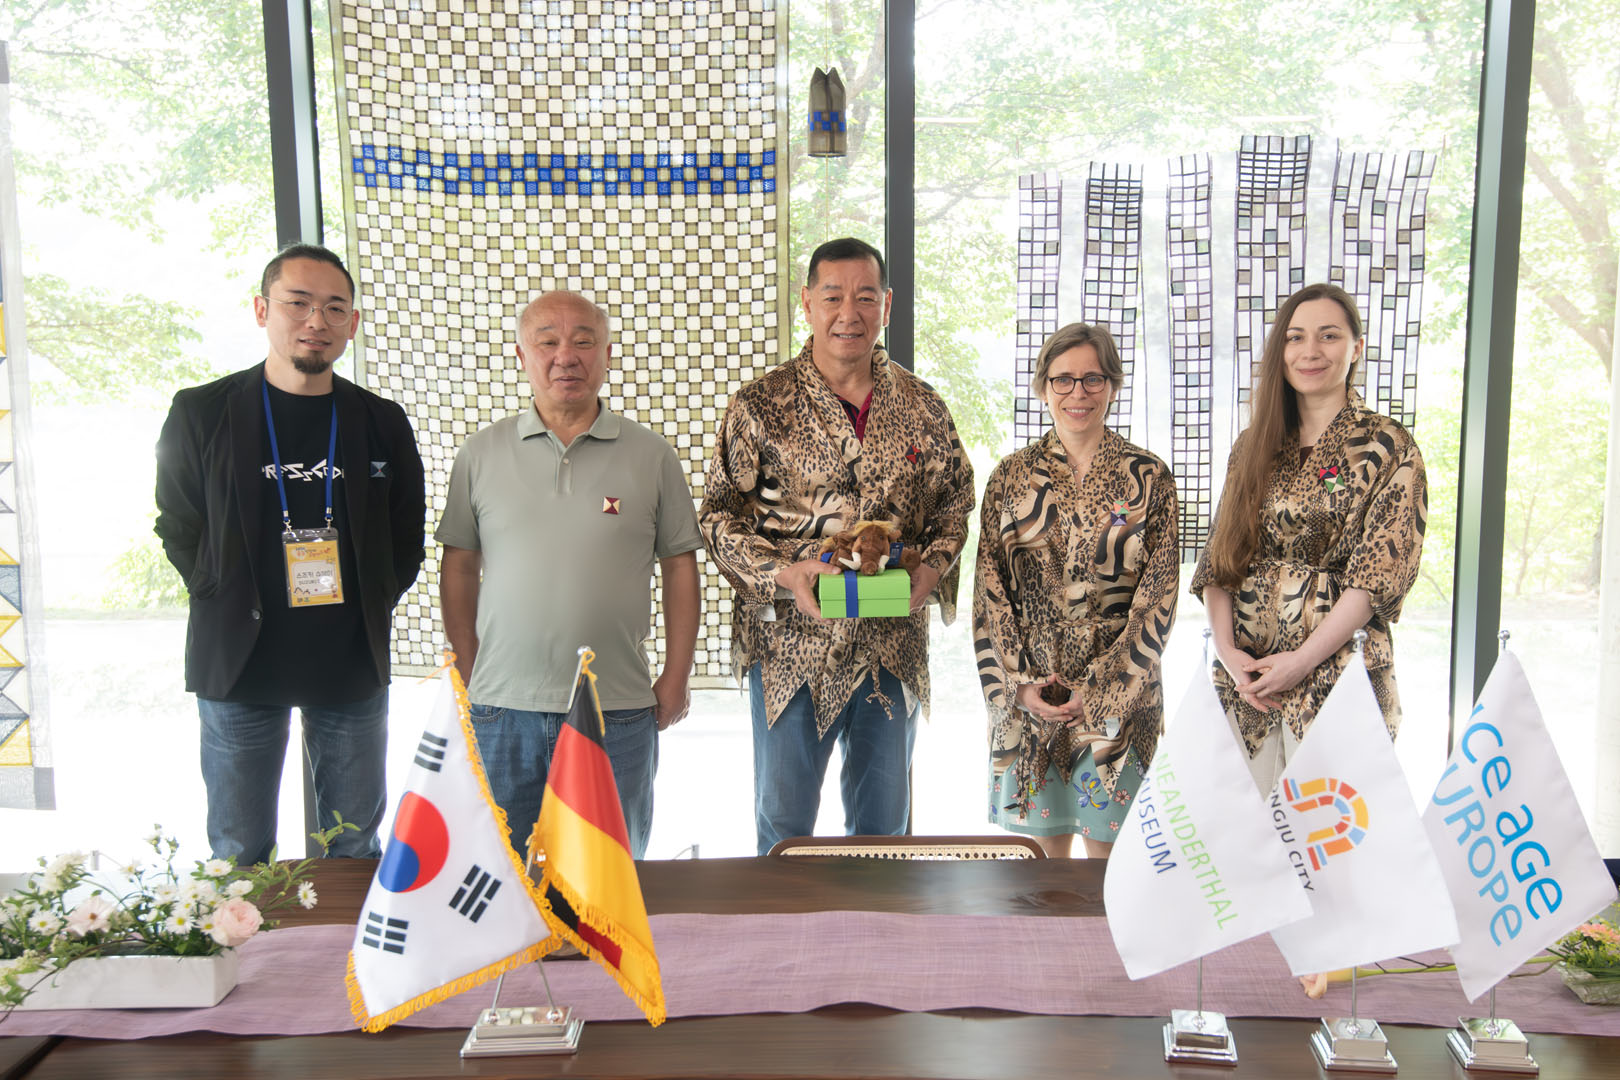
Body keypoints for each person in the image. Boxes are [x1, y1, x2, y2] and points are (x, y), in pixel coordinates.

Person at [700, 237, 976, 855]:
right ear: (807, 302)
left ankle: (878, 923)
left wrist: (932, 569)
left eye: (865, 297)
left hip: (891, 643)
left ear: (887, 306)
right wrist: (784, 571)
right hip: (790, 645)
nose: (848, 313)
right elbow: (717, 516)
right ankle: (785, 920)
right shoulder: (760, 405)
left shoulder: (923, 406)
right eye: (832, 297)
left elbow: (956, 501)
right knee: (784, 826)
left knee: (885, 831)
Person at [155, 243, 426, 865]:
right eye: (298, 303)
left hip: (348, 658)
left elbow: (405, 532)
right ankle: (244, 936)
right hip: (239, 661)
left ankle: (345, 935)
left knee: (353, 845)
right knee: (239, 849)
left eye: (334, 308)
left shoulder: (381, 421)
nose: (316, 321)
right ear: (262, 310)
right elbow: (178, 524)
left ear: (352, 323)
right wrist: (218, 591)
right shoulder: (201, 412)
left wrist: (372, 598)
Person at [436, 290, 701, 861]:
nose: (566, 356)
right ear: (521, 355)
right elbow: (458, 563)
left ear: (607, 354)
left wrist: (677, 674)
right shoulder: (480, 454)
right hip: (504, 708)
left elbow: (680, 567)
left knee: (611, 881)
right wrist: (468, 666)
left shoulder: (651, 455)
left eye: (584, 341)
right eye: (548, 342)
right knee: (506, 882)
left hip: (617, 707)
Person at [1191, 283, 1427, 796]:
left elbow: (1375, 578)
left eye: (1329, 336)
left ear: (1356, 348)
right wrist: (1228, 653)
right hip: (1247, 680)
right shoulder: (1253, 446)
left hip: (1339, 673)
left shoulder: (1388, 447)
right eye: (1295, 337)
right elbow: (1219, 563)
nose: (1310, 351)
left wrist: (1300, 661)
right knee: (1241, 830)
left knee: (1329, 833)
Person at [973, 323, 1179, 859]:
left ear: (1112, 385)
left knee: (1111, 868)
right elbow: (990, 594)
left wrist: (1104, 686)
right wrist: (1018, 685)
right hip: (1032, 691)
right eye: (1063, 380)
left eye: (1093, 379)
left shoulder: (1149, 476)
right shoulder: (1010, 478)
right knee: (1037, 871)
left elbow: (1158, 598)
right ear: (1043, 388)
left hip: (1120, 692)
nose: (1078, 393)